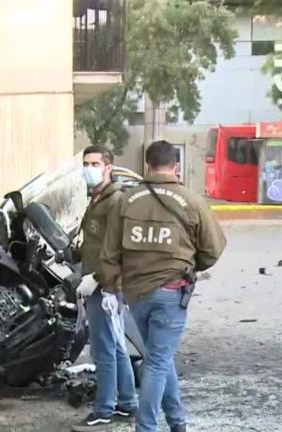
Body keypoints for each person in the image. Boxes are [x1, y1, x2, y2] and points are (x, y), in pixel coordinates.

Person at [100, 140, 227, 432]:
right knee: (157, 362)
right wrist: (191, 266)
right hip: (172, 292)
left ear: (148, 165)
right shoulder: (191, 200)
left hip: (136, 295)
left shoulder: (126, 200)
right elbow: (213, 248)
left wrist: (110, 287)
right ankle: (146, 428)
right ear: (176, 166)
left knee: (160, 356)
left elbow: (109, 252)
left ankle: (177, 422)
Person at [72, 146, 138, 432]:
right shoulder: (97, 199)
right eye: (86, 163)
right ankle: (127, 402)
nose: (89, 169)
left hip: (106, 286)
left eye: (95, 164)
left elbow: (118, 249)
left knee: (103, 350)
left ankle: (104, 410)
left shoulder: (115, 201)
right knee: (116, 345)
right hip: (101, 284)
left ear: (108, 167)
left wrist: (96, 278)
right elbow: (96, 243)